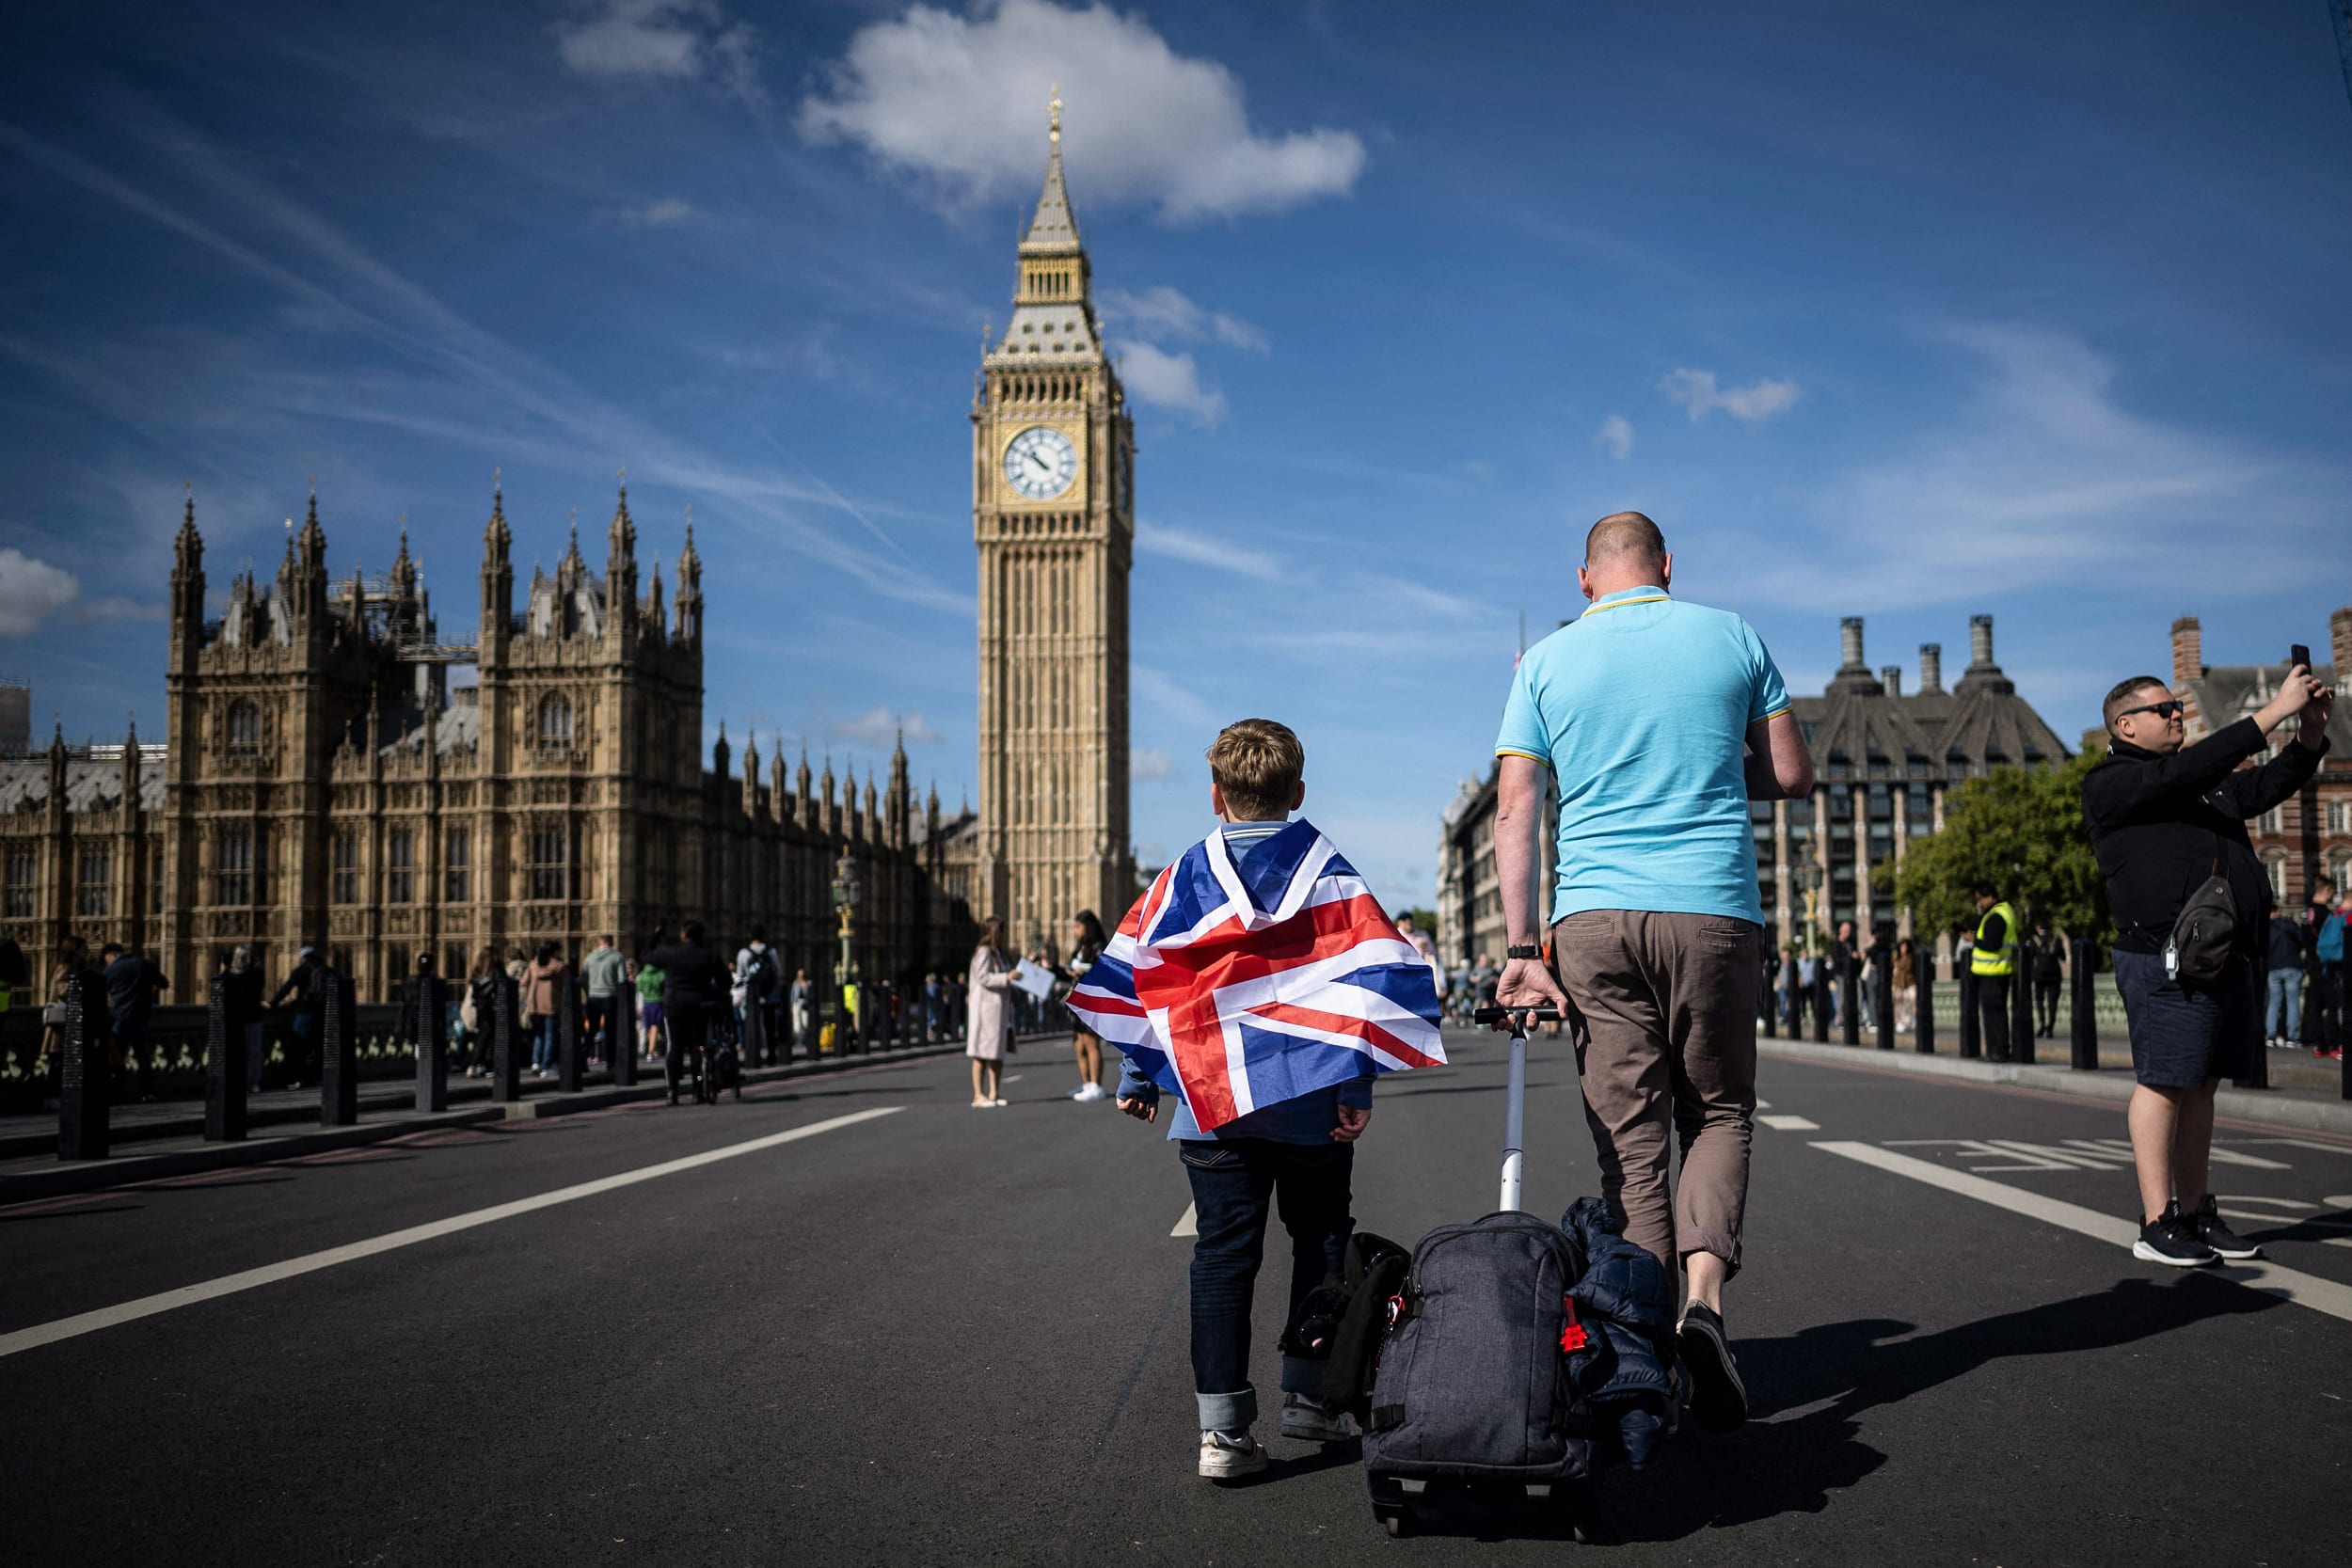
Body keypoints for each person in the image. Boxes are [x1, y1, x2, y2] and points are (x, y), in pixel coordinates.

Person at [1492, 511, 1811, 1433]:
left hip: (1590, 917)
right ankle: (1703, 1302)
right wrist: (1710, 759)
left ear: (1585, 578)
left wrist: (1522, 950)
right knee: (1716, 1108)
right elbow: (1790, 773)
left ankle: (1642, 1352)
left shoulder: (1545, 662)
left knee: (1632, 1141)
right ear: (1667, 566)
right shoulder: (1731, 632)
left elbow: (1518, 808)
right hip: (1712, 908)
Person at [1111, 718, 1382, 1478]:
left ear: (1215, 795)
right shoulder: (1327, 869)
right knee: (1321, 1239)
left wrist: (1139, 1078)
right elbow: (1356, 975)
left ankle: (1222, 1432)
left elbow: (1151, 980)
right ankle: (1310, 1396)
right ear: (1297, 792)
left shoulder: (1185, 873)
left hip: (1212, 1099)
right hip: (1308, 1098)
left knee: (1224, 1259)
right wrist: (1355, 1086)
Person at [2084, 662, 2330, 1267]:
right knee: (2164, 1080)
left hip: (2226, 954)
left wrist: (2311, 735)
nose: (2177, 715)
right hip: (2164, 957)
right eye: (2163, 710)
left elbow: (2264, 787)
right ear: (2126, 724)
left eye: (2177, 708)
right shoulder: (2111, 782)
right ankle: (2156, 1222)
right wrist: (2270, 713)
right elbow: (2196, 764)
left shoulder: (2199, 784)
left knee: (2203, 1085)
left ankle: (2193, 1213)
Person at [640, 922, 727, 1105]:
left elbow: (646, 955)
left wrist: (656, 934)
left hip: (675, 1006)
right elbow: (725, 980)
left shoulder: (672, 953)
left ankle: (673, 1091)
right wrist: (714, 992)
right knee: (698, 1049)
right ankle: (697, 1090)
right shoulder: (709, 955)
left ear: (683, 934)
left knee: (675, 1048)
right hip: (700, 1006)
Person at [1052, 911, 1110, 1101]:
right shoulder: (1080, 949)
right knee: (1078, 1044)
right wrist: (1051, 967)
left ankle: (1096, 1085)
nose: (1076, 931)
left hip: (1091, 1001)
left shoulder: (1099, 947)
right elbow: (1067, 972)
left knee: (1090, 1043)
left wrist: (1082, 972)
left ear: (1089, 927)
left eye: (1078, 926)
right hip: (1077, 1002)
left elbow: (1104, 972)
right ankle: (1086, 1083)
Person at [101, 942, 169, 1101]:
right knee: (143, 1056)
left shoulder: (110, 970)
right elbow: (164, 984)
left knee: (117, 1056)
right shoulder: (144, 964)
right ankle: (147, 1092)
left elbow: (102, 990)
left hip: (119, 1017)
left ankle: (116, 1092)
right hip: (141, 1017)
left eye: (106, 959)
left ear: (112, 955)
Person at [965, 918, 1015, 1107]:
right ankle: (978, 1095)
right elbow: (983, 977)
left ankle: (994, 1093)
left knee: (997, 1053)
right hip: (986, 1011)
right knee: (981, 1054)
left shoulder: (999, 954)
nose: (1003, 935)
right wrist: (1006, 977)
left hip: (999, 1010)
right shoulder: (984, 952)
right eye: (1001, 931)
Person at [1968, 883, 2018, 1063]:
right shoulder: (2005, 912)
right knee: (1996, 1014)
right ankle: (1997, 1050)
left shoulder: (1997, 916)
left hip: (1993, 973)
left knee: (1993, 1016)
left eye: (1980, 899)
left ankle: (1998, 1051)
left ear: (1990, 896)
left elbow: (1992, 944)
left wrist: (1973, 940)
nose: (1979, 903)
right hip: (1998, 971)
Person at [268, 946, 328, 1089]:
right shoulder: (325, 970)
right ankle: (315, 1077)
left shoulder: (301, 971)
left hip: (306, 1012)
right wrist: (295, 1001)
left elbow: (286, 988)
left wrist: (273, 1003)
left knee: (297, 1045)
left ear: (302, 958)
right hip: (323, 1013)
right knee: (317, 1047)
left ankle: (297, 1078)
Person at [2310, 877, 2345, 1056]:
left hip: (2311, 962)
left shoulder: (2306, 911)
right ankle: (2335, 1043)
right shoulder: (2328, 914)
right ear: (2328, 890)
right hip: (2329, 965)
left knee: (2314, 1004)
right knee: (2334, 1004)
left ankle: (2319, 1042)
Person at [580, 935, 626, 1068]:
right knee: (611, 1031)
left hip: (593, 997)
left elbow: (583, 979)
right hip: (610, 997)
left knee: (592, 1029)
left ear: (599, 942)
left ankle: (583, 1056)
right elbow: (622, 980)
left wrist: (589, 992)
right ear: (611, 942)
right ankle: (611, 1062)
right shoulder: (617, 957)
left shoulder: (589, 958)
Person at [2265, 908, 2307, 1050]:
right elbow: (2301, 941)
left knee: (2274, 1002)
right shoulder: (2290, 925)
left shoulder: (2266, 927)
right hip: (2291, 965)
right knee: (2293, 1002)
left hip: (2273, 967)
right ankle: (2292, 1037)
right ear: (2278, 911)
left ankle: (2270, 1035)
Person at [522, 942, 566, 1076]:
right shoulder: (559, 967)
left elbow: (523, 982)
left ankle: (536, 1063)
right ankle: (546, 1066)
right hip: (551, 1006)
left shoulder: (532, 965)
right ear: (555, 953)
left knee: (539, 1035)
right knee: (550, 1036)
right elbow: (569, 984)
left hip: (534, 1006)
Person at [2031, 921, 2064, 1039]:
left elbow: (2030, 957)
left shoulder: (2035, 940)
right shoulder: (2056, 940)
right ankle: (2050, 1027)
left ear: (2038, 927)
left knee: (2039, 1000)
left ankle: (2042, 1023)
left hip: (2039, 975)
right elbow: (2063, 957)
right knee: (2053, 1003)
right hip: (2054, 976)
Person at [636, 955, 666, 1067]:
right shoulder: (661, 974)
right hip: (657, 1001)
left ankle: (653, 1049)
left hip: (646, 1002)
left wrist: (639, 1005)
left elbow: (639, 990)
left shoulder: (642, 975)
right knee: (655, 1026)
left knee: (649, 1027)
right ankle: (650, 1052)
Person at [1894, 935, 1919, 1036]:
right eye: (1902, 946)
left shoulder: (1910, 957)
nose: (1904, 948)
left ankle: (1914, 1020)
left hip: (1909, 982)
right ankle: (1899, 1022)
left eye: (1905, 946)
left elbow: (1908, 967)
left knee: (1913, 1001)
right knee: (1898, 1002)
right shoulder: (1896, 956)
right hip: (1898, 983)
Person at [788, 967, 811, 1059]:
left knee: (805, 1022)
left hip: (805, 1004)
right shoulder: (795, 983)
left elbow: (809, 994)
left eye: (802, 974)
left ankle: (806, 1038)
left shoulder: (807, 983)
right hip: (796, 1004)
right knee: (797, 1023)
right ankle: (799, 1040)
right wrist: (791, 1005)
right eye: (799, 974)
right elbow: (793, 995)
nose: (801, 975)